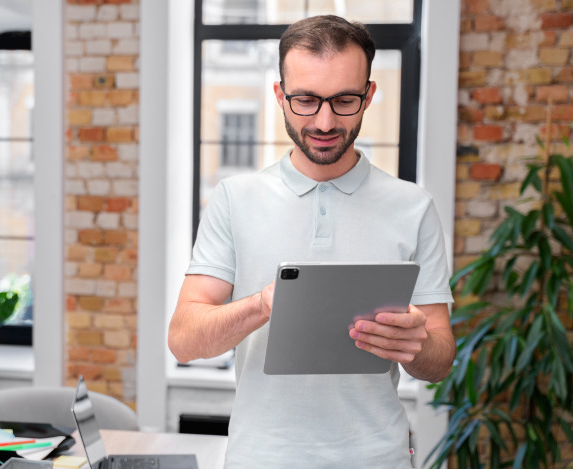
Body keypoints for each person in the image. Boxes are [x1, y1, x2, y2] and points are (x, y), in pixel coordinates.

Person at [168, 15, 456, 468]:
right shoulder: (233, 199)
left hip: (378, 459)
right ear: (280, 96)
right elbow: (184, 340)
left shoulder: (413, 207)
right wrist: (262, 306)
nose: (324, 121)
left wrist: (415, 343)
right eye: (305, 100)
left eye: (344, 100)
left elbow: (440, 360)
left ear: (369, 96)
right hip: (260, 459)